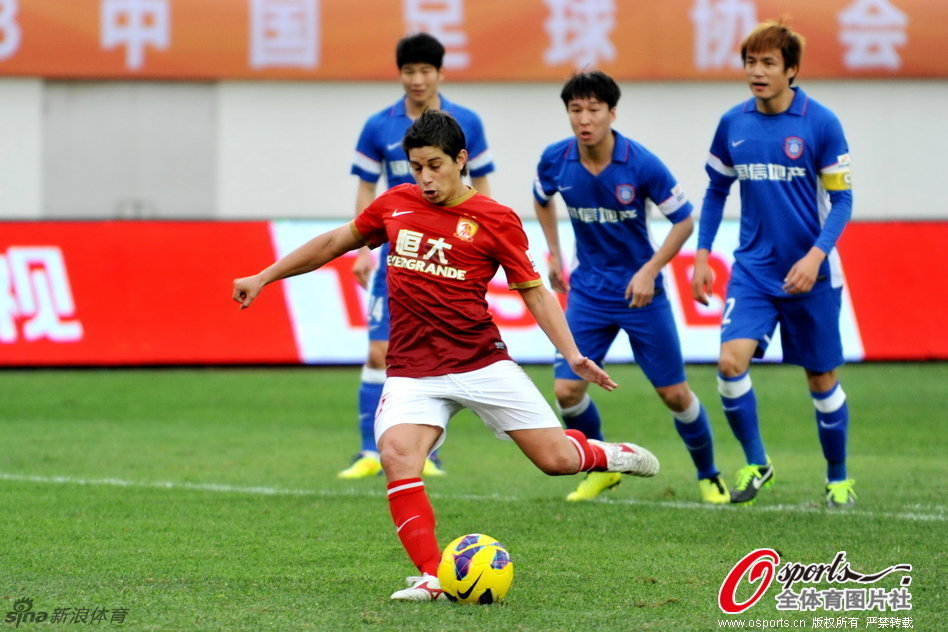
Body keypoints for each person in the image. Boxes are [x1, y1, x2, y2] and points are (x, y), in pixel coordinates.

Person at [233, 110, 660, 601]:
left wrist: (573, 354)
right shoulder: (394, 204)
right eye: (416, 167)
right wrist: (264, 276)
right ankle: (434, 574)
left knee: (557, 460)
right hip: (413, 372)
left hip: (481, 362)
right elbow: (334, 242)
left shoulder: (496, 219)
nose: (426, 178)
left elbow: (534, 291)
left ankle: (609, 454)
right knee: (397, 455)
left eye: (435, 165)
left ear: (461, 160)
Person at [533, 71, 726, 504]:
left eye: (593, 109)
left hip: (642, 296)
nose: (584, 119)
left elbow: (685, 220)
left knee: (675, 394)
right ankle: (603, 468)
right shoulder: (555, 160)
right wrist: (554, 252)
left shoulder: (640, 163)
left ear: (612, 112)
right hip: (588, 293)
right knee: (566, 390)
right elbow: (541, 197)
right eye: (575, 110)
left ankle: (709, 474)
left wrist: (650, 269)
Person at [690, 19, 855, 508]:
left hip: (813, 274)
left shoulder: (821, 123)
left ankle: (838, 478)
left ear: (792, 70)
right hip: (754, 271)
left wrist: (814, 255)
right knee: (728, 362)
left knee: (821, 381)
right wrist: (701, 254)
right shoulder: (733, 123)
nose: (756, 72)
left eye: (767, 63)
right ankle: (759, 463)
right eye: (750, 62)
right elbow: (716, 190)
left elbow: (843, 202)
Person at [341, 32, 495, 480]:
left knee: (437, 353)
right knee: (378, 351)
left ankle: (428, 452)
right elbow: (366, 188)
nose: (418, 79)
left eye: (426, 70)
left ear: (441, 73)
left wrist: (484, 237)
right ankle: (371, 450)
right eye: (410, 71)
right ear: (400, 74)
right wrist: (362, 248)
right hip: (395, 251)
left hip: (449, 252)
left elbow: (482, 183)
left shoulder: (466, 121)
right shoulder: (378, 126)